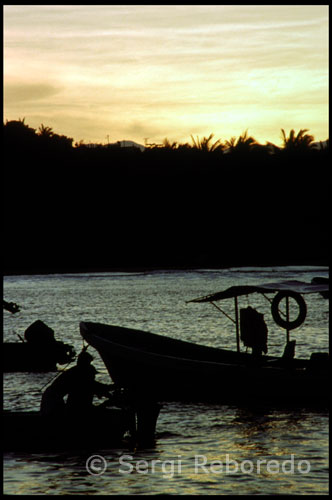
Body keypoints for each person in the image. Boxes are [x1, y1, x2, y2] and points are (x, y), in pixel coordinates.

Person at [40, 350, 112, 416]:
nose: (93, 376)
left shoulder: (78, 371)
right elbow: (93, 386)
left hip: (53, 397)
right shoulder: (78, 373)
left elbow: (94, 386)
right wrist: (110, 394)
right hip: (52, 398)